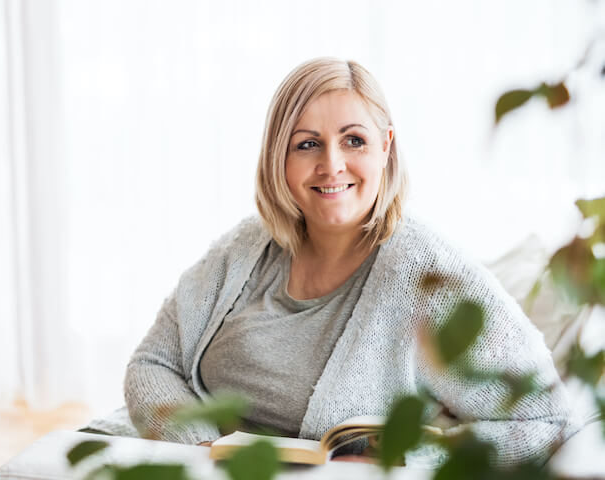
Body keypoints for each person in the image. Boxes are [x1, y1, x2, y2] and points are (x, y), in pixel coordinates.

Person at [82, 57, 577, 467]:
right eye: (307, 144)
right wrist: (200, 451)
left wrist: (405, 461)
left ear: (385, 148)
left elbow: (544, 421)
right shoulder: (245, 249)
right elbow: (152, 364)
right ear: (281, 157)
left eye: (354, 140)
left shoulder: (428, 273)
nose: (331, 164)